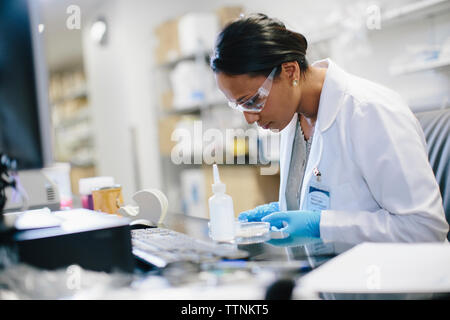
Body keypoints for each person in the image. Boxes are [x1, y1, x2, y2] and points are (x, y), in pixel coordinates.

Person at [210, 13, 449, 243]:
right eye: (238, 105)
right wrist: (288, 207)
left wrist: (321, 226)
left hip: (391, 280)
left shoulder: (370, 111)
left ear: (290, 71)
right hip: (328, 277)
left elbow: (424, 228)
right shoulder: (292, 116)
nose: (249, 118)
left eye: (252, 101)